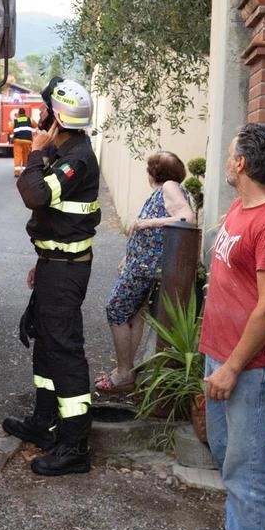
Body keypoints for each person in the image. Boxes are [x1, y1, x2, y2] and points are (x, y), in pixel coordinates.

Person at [195, 123, 265, 530]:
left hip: (253, 372)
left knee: (248, 474)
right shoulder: (241, 209)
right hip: (225, 359)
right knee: (228, 457)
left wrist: (232, 368)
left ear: (240, 163)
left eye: (228, 154)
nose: (225, 161)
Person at [2, 77, 100, 476]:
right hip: (52, 264)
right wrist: (42, 258)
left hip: (65, 271)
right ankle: (44, 423)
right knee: (44, 346)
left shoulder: (76, 158)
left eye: (46, 114)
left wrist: (33, 154)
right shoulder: (66, 150)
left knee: (64, 351)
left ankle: (74, 445)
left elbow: (35, 195)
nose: (41, 121)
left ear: (57, 120)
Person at [96, 150, 196, 393]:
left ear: (154, 172)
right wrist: (128, 254)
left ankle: (123, 372)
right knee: (135, 314)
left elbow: (188, 218)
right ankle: (126, 371)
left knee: (115, 309)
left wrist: (146, 223)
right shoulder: (166, 191)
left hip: (144, 268)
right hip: (142, 264)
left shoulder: (169, 187)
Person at [11, 108, 34, 177]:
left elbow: (10, 129)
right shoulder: (30, 120)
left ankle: (17, 172)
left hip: (17, 141)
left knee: (18, 156)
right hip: (27, 141)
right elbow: (36, 125)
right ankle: (25, 171)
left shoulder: (15, 121)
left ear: (18, 114)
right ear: (25, 113)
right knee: (26, 156)